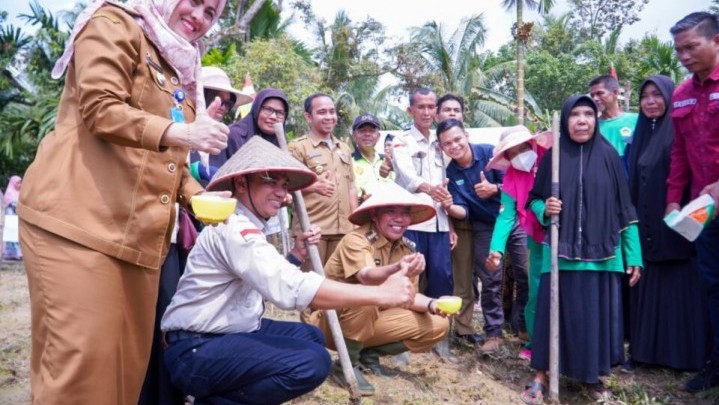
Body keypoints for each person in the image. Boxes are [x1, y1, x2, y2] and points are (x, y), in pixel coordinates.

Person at [16, 0, 231, 402]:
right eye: (196, 2)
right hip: (78, 223)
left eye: (212, 13)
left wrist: (200, 197)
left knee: (125, 375)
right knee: (82, 372)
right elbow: (100, 108)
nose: (200, 18)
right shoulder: (114, 23)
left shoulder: (179, 70)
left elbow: (171, 158)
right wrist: (183, 133)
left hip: (138, 241)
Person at [161, 137, 416, 405]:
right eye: (270, 181)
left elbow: (266, 283)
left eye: (284, 185)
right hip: (195, 349)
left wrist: (294, 256)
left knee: (311, 336)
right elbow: (292, 288)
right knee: (311, 362)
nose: (282, 194)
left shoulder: (248, 227)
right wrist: (380, 295)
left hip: (225, 332)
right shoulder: (234, 228)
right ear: (241, 183)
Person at [520, 95, 642, 405]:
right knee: (551, 315)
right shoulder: (553, 157)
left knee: (593, 319)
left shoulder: (610, 156)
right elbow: (532, 200)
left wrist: (634, 256)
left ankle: (590, 377)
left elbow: (625, 210)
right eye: (575, 114)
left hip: (603, 258)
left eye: (588, 114)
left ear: (596, 119)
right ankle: (541, 374)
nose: (582, 120)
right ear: (565, 119)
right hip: (559, 256)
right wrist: (545, 208)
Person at [307, 182, 450, 396]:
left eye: (405, 213)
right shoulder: (356, 239)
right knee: (368, 299)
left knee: (439, 323)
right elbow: (366, 277)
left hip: (371, 318)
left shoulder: (407, 248)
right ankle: (346, 365)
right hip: (329, 322)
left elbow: (409, 296)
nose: (399, 219)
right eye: (391, 211)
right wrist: (396, 268)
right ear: (374, 214)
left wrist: (433, 304)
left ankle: (368, 355)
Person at [626, 75, 711, 372]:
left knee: (679, 288)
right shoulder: (639, 135)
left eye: (657, 95)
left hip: (676, 225)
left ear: (670, 97)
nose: (650, 102)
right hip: (646, 226)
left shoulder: (676, 132)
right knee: (649, 288)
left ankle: (683, 357)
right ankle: (645, 353)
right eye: (645, 96)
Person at [435, 119, 528, 355]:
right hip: (484, 226)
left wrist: (494, 189)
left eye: (457, 139)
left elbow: (517, 181)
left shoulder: (490, 154)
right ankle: (494, 332)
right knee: (490, 278)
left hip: (514, 219)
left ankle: (525, 329)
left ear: (466, 135)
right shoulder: (451, 173)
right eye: (448, 143)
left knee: (525, 273)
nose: (454, 146)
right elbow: (463, 211)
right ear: (442, 147)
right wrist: (448, 206)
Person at [667, 12, 719, 393]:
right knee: (713, 285)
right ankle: (715, 368)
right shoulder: (682, 95)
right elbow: (680, 155)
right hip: (705, 212)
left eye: (691, 47)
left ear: (716, 41)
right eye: (679, 49)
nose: (684, 56)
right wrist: (673, 200)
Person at [485, 126, 552, 362]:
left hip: (562, 236)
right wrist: (496, 250)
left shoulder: (551, 159)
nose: (519, 155)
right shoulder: (512, 176)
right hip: (535, 238)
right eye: (511, 153)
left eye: (522, 148)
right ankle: (535, 342)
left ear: (533, 144)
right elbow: (506, 216)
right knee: (535, 292)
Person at [289, 93, 358, 269]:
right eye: (322, 112)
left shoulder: (344, 148)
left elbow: (351, 187)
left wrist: (356, 223)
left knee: (339, 284)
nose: (329, 117)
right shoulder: (298, 147)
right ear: (308, 117)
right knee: (313, 285)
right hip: (313, 230)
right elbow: (286, 185)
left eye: (332, 112)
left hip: (344, 229)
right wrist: (312, 186)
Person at [189, 66, 252, 185]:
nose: (223, 107)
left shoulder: (223, 137)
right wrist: (193, 169)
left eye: (228, 103)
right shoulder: (178, 122)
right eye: (216, 99)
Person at [220, 87, 290, 166]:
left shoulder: (280, 143)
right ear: (257, 110)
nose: (273, 117)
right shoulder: (234, 136)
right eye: (268, 109)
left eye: (280, 113)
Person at [588, 75, 638, 159]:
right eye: (592, 95)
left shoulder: (636, 120)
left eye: (600, 93)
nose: (595, 98)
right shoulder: (592, 126)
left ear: (615, 92)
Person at [351, 113, 393, 202]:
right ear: (354, 137)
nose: (367, 134)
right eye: (362, 130)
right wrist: (360, 200)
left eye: (372, 131)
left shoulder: (388, 161)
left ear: (378, 137)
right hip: (362, 213)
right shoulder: (348, 162)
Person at [3, 176, 22, 260]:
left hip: (18, 216)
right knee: (11, 234)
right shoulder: (9, 192)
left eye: (20, 182)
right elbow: (10, 203)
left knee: (17, 234)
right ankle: (13, 253)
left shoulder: (20, 192)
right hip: (11, 217)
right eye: (18, 183)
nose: (20, 185)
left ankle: (17, 253)